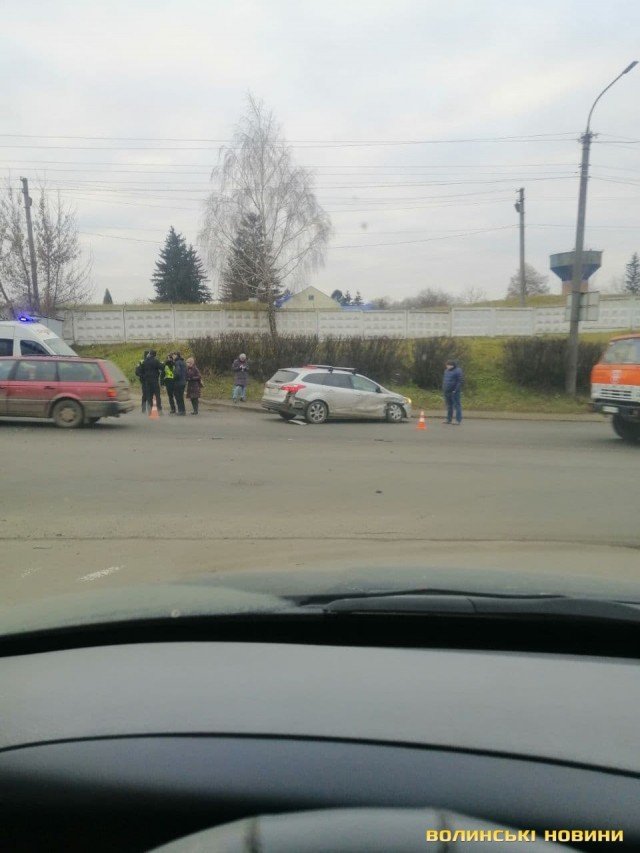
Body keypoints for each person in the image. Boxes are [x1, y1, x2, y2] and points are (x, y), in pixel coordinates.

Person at [142, 349, 164, 415]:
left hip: (147, 381)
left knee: (149, 396)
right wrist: (162, 363)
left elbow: (142, 370)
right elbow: (161, 367)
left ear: (150, 354)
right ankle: (159, 410)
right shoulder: (156, 361)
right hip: (154, 380)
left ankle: (150, 410)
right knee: (157, 395)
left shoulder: (145, 361)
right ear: (155, 355)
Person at [443, 360, 464, 425]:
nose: (447, 366)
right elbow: (445, 380)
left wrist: (455, 390)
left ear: (452, 365)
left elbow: (459, 381)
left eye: (448, 365)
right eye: (446, 365)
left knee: (457, 405)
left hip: (454, 391)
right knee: (449, 405)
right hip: (447, 390)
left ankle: (458, 420)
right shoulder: (446, 371)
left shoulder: (458, 371)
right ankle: (448, 419)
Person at [173, 352, 187, 416]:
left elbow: (177, 373)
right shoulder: (183, 362)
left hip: (178, 382)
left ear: (176, 355)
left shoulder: (177, 362)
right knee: (181, 397)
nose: (173, 356)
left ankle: (180, 411)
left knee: (178, 397)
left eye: (173, 355)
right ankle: (183, 411)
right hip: (183, 382)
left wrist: (174, 378)